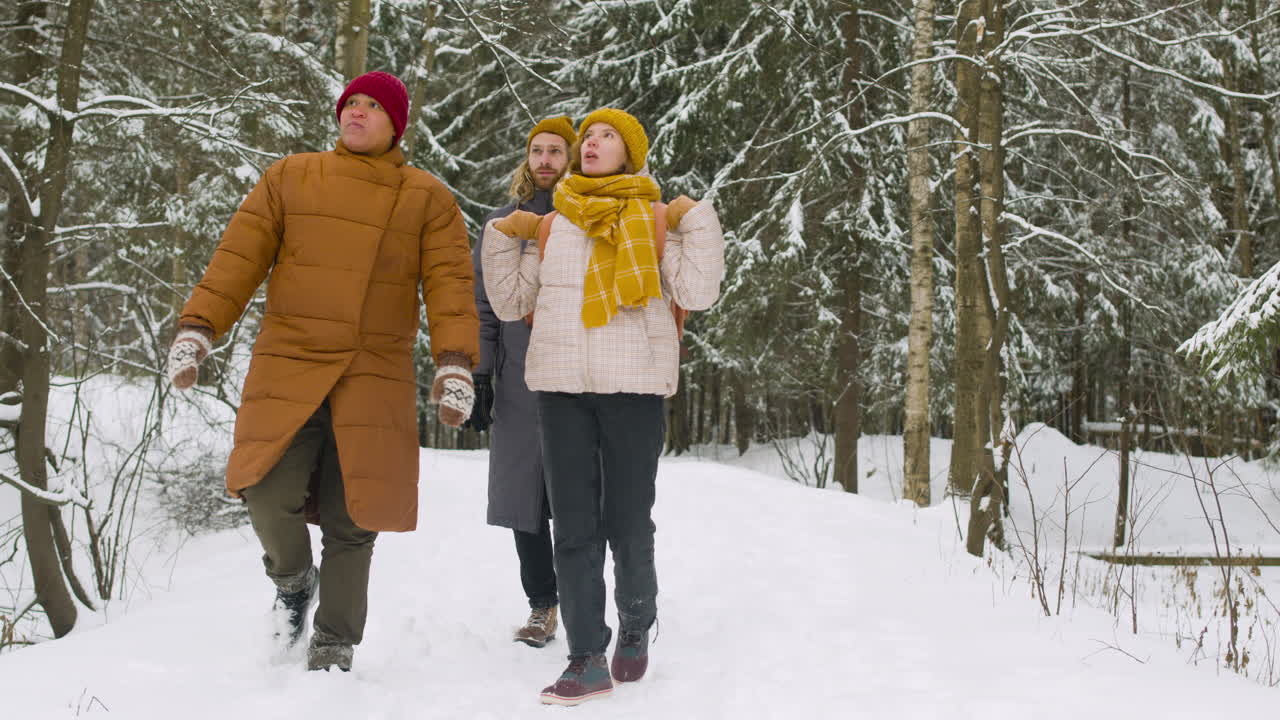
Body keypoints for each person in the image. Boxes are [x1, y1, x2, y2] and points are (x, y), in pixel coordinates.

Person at [166, 71, 479, 672]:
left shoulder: (426, 196)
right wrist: (198, 328)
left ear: (396, 124)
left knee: (354, 517)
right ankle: (291, 580)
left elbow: (450, 287)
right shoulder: (290, 176)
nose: (355, 114)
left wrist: (455, 364)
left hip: (374, 370)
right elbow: (238, 257)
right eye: (349, 104)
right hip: (290, 360)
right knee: (265, 490)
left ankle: (335, 641)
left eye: (371, 107)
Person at [481, 108, 725, 705]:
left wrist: (696, 217)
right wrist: (500, 236)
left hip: (635, 391)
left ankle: (636, 623)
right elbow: (512, 303)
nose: (591, 144)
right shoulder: (554, 223)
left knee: (627, 522)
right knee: (572, 528)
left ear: (630, 153)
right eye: (587, 137)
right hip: (561, 389)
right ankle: (586, 657)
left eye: (605, 136)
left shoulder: (655, 219)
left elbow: (697, 291)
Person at [465, 116, 576, 648]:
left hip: (581, 372)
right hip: (517, 378)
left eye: (556, 151)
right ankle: (542, 605)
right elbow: (483, 308)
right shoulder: (502, 224)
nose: (546, 160)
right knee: (524, 499)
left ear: (573, 158)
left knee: (578, 495)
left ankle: (583, 598)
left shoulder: (592, 219)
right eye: (538, 150)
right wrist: (480, 375)